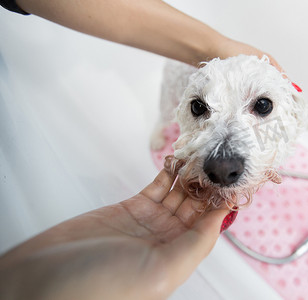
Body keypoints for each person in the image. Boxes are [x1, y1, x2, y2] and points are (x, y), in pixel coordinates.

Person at [0, 0, 283, 299]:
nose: (223, 163)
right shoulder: (179, 75)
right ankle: (165, 121)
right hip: (178, 71)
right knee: (165, 113)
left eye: (261, 106)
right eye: (199, 108)